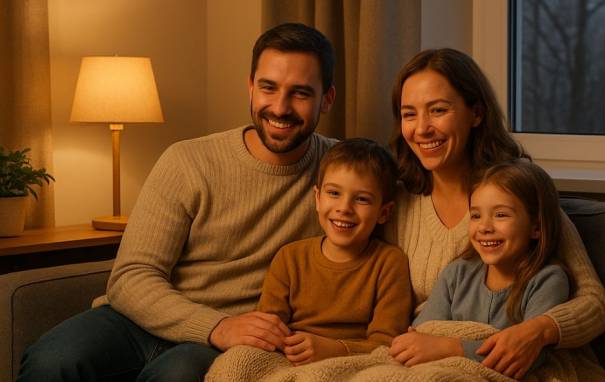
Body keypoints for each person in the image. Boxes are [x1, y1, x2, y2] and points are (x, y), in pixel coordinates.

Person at [18, 23, 338, 381]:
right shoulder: (188, 161)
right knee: (51, 360)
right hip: (138, 322)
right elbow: (130, 278)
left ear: (327, 99)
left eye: (300, 93)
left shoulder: (341, 174)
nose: (280, 107)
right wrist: (216, 325)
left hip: (223, 343)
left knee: (175, 376)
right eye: (268, 87)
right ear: (250, 87)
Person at [385, 48, 605, 379]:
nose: (422, 129)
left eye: (438, 110)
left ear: (476, 113)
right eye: (409, 114)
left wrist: (538, 330)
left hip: (506, 360)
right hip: (424, 357)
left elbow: (595, 304)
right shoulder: (396, 203)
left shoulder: (514, 195)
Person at [389, 159, 568, 375]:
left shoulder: (547, 280)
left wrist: (449, 348)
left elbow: (527, 354)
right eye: (475, 215)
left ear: (536, 227)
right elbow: (425, 332)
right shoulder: (457, 273)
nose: (484, 227)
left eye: (501, 215)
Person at [254, 138, 412, 366]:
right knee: (237, 360)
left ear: (384, 213)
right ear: (317, 198)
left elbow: (386, 342)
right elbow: (268, 327)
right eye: (334, 193)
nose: (344, 208)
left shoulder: (389, 262)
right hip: (290, 356)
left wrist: (335, 350)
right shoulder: (289, 258)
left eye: (362, 199)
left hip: (354, 361)